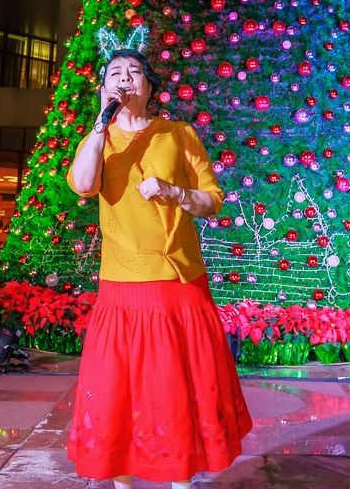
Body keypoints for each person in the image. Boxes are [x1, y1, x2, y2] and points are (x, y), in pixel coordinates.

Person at [66, 29, 252, 487]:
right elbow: (83, 184)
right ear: (103, 88)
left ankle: (180, 479)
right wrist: (98, 126)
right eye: (115, 73)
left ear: (149, 86)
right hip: (122, 285)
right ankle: (122, 479)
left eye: (134, 72)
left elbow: (212, 199)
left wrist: (174, 192)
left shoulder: (179, 134)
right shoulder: (101, 138)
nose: (125, 79)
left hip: (177, 282)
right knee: (119, 392)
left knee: (176, 388)